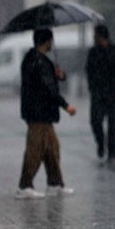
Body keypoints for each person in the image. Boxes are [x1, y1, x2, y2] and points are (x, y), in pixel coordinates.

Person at [16, 28, 76, 199]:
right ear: (46, 41)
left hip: (42, 113)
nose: (52, 44)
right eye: (51, 40)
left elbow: (47, 81)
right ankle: (24, 186)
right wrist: (66, 105)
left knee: (52, 148)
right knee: (35, 150)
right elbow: (48, 89)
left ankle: (55, 183)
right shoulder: (38, 61)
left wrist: (59, 75)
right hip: (38, 114)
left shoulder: (37, 60)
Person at [85, 25, 115, 161]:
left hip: (114, 93)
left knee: (114, 124)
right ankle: (101, 143)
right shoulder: (93, 53)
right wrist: (92, 88)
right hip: (98, 93)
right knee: (95, 121)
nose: (94, 38)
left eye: (95, 35)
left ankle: (112, 150)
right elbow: (89, 72)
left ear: (100, 36)